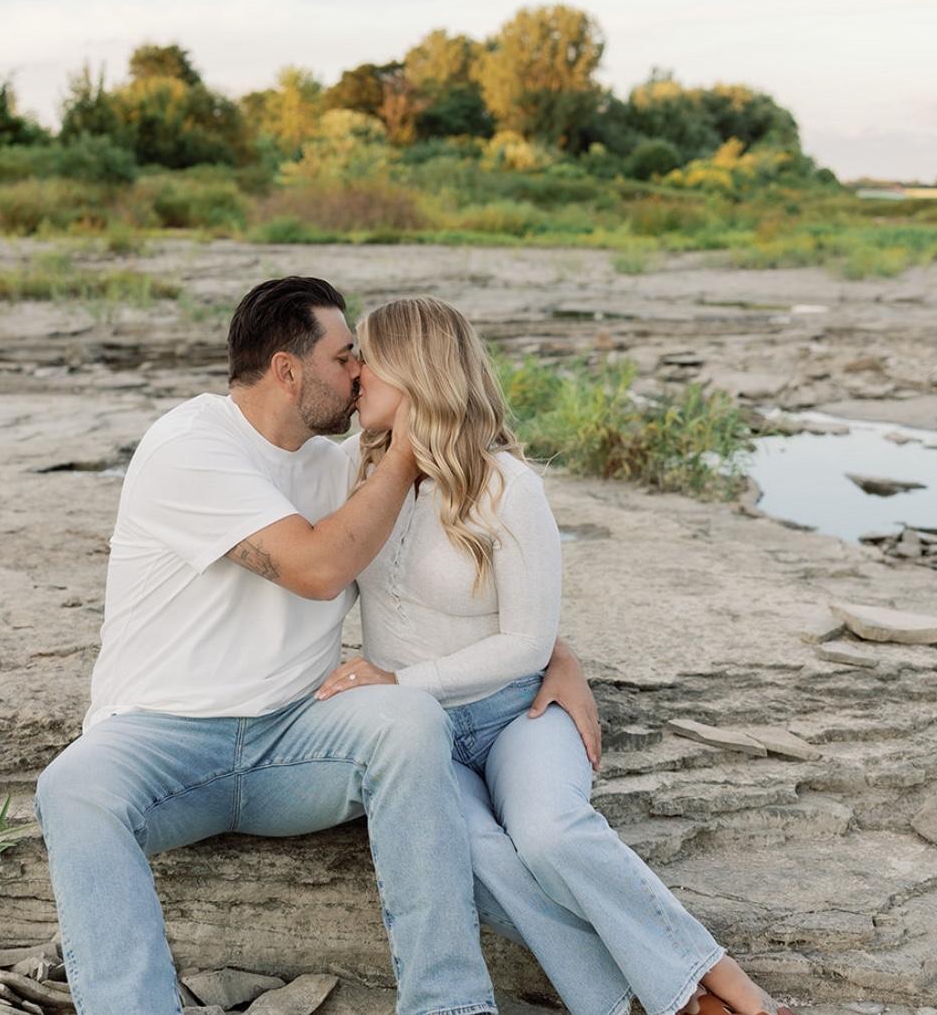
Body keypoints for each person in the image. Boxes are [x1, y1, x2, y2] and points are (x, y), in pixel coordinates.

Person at [35, 277, 503, 1015]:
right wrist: (402, 460)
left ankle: (450, 1006)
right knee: (73, 787)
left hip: (296, 737)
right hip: (163, 739)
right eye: (345, 358)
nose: (362, 374)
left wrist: (556, 657)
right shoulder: (191, 444)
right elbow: (315, 569)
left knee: (410, 721)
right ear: (288, 369)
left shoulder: (343, 466)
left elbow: (470, 573)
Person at [315, 296, 794, 1015]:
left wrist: (399, 679)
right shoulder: (352, 469)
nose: (355, 376)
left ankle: (729, 984)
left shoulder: (509, 487)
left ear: (416, 372)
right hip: (419, 737)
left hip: (517, 713)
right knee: (478, 855)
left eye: (368, 360)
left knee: (549, 836)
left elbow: (527, 643)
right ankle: (664, 1003)